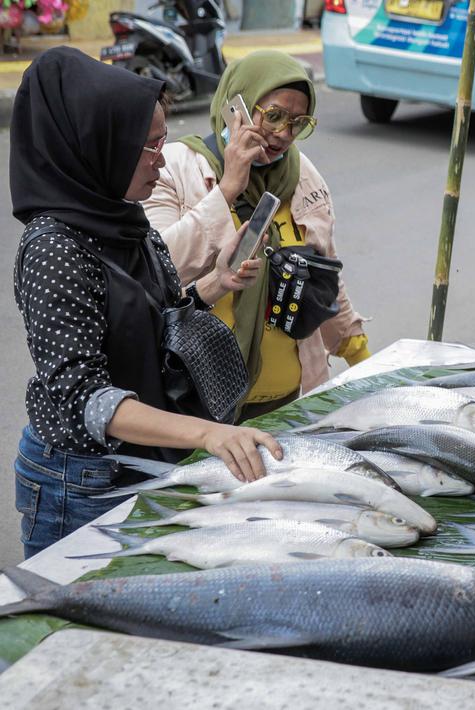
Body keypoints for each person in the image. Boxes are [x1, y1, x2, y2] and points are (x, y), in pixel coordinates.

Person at [9, 48, 282, 558]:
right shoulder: (54, 247)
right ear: (98, 145)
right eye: (148, 145)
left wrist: (217, 282)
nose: (162, 157)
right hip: (84, 479)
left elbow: (161, 317)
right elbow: (85, 397)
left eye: (162, 139)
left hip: (146, 459)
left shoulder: (124, 218)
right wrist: (208, 434)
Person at [144, 51, 369, 422]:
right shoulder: (173, 169)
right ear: (238, 109)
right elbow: (158, 270)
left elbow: (324, 274)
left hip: (287, 402)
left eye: (298, 122)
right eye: (275, 116)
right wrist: (228, 188)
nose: (284, 135)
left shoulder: (301, 175)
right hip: (198, 403)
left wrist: (359, 353)